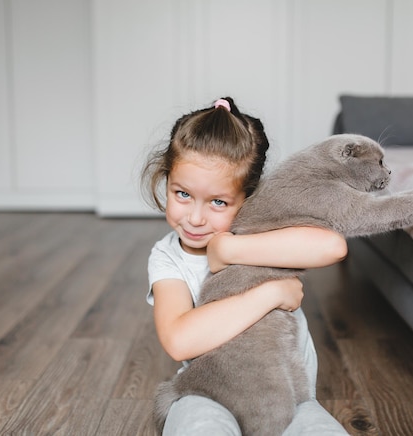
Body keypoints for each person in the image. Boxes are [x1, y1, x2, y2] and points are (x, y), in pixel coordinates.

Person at [142, 97, 350, 435]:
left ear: (248, 199)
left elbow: (333, 246)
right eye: (182, 194)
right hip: (206, 392)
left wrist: (230, 247)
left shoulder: (259, 231)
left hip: (291, 398)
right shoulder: (168, 257)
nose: (195, 218)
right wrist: (270, 293)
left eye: (218, 202)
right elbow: (180, 339)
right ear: (166, 181)